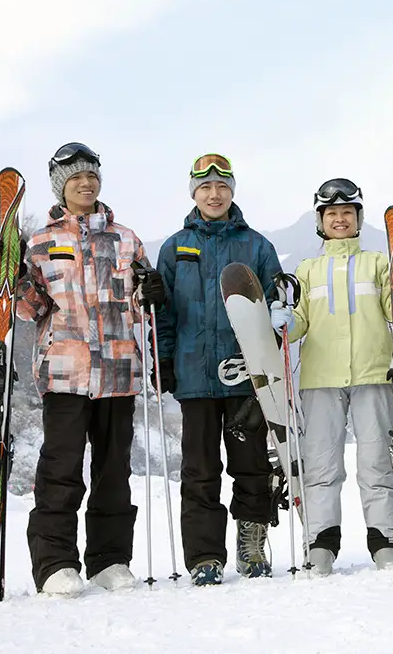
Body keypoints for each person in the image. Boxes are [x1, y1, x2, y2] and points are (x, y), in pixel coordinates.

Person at [0, 142, 165, 596]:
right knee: (61, 468)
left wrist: (153, 293)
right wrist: (8, 274)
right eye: (76, 178)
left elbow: (145, 307)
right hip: (66, 371)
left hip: (119, 369)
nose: (85, 184)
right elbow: (30, 310)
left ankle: (109, 560)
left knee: (113, 469)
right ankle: (55, 562)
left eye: (92, 176)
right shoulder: (43, 242)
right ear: (61, 187)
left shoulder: (125, 238)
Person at [153, 153, 285, 586]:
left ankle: (251, 546)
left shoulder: (257, 246)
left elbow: (277, 309)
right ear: (194, 192)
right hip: (194, 377)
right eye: (206, 187)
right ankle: (205, 556)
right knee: (200, 469)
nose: (214, 194)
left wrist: (272, 353)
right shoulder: (175, 247)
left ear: (232, 191)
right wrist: (165, 361)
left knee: (250, 465)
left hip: (247, 376)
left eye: (222, 187)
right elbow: (165, 314)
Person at [286, 178, 393, 575]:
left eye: (347, 213)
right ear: (320, 221)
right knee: (321, 464)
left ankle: (386, 543)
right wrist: (279, 322)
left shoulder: (377, 263)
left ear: (359, 218)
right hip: (320, 378)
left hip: (373, 373)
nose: (340, 219)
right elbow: (298, 323)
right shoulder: (306, 270)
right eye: (332, 214)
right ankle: (321, 544)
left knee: (377, 461)